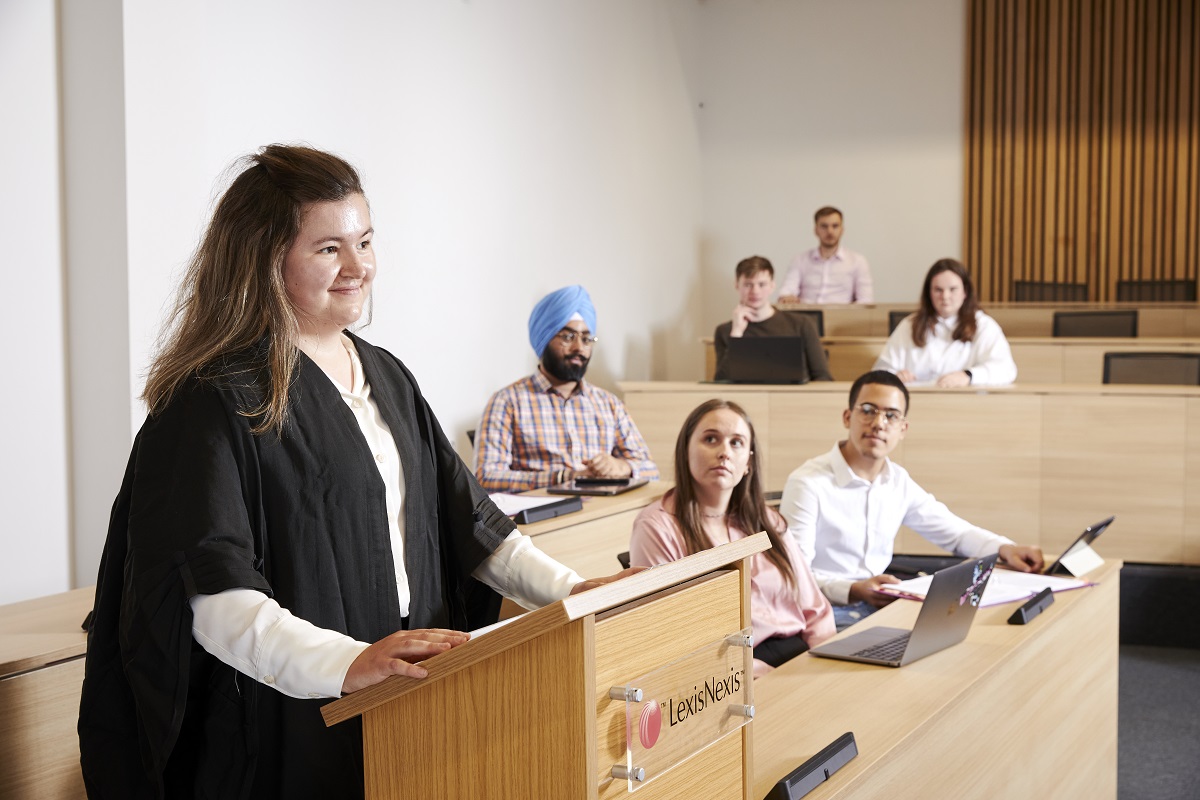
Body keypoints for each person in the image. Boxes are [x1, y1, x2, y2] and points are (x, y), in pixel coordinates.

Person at [78, 145, 635, 799]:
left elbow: (472, 524)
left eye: (365, 242)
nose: (358, 267)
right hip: (286, 723)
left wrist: (572, 592)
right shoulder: (214, 400)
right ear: (264, 259)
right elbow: (215, 599)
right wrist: (350, 663)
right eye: (328, 249)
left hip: (410, 703)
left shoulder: (387, 376)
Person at [779, 370, 1044, 630]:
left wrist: (1006, 549)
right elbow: (794, 575)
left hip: (879, 604)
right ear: (848, 417)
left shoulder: (897, 481)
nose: (879, 423)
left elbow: (956, 533)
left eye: (891, 415)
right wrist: (853, 590)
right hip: (823, 609)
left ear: (902, 429)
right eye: (869, 410)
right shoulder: (808, 483)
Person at [629, 399, 835, 676]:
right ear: (685, 450)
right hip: (732, 672)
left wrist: (825, 662)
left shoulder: (767, 520)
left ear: (748, 461)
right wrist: (768, 676)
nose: (724, 452)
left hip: (801, 657)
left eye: (736, 443)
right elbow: (676, 636)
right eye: (711, 439)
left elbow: (816, 609)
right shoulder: (657, 526)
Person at [474, 285, 659, 492]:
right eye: (568, 337)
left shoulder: (608, 403)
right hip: (542, 518)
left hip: (603, 514)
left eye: (586, 339)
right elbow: (486, 478)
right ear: (544, 339)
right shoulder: (507, 402)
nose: (579, 348)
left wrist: (622, 466)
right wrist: (564, 477)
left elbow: (651, 470)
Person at [874, 258, 1017, 387]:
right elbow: (879, 372)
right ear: (929, 293)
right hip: (917, 405)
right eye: (938, 290)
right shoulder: (910, 325)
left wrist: (968, 376)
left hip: (965, 406)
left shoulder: (984, 326)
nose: (945, 296)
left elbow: (1006, 370)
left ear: (965, 292)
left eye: (953, 289)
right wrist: (895, 376)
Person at [713, 256, 834, 382]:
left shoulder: (801, 324)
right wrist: (736, 333)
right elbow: (722, 380)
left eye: (762, 284)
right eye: (748, 284)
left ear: (772, 286)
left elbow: (823, 376)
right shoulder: (725, 331)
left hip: (794, 398)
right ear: (737, 285)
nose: (755, 291)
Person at [778, 206, 873, 304]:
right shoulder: (800, 260)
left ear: (842, 230)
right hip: (806, 316)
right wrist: (787, 297)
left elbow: (865, 300)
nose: (830, 231)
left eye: (835, 226)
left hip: (842, 317)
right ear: (816, 230)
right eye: (824, 226)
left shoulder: (857, 261)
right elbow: (787, 292)